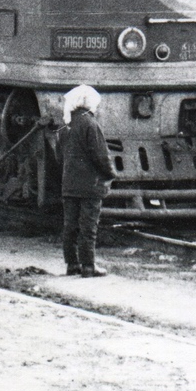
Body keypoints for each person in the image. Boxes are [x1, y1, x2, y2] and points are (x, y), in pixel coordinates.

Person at [51, 85, 116, 278]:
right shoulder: (90, 125)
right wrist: (111, 173)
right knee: (88, 226)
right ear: (88, 103)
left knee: (70, 225)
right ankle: (89, 266)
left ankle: (72, 264)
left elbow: (59, 157)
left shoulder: (65, 126)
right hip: (90, 185)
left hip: (69, 185)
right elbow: (100, 155)